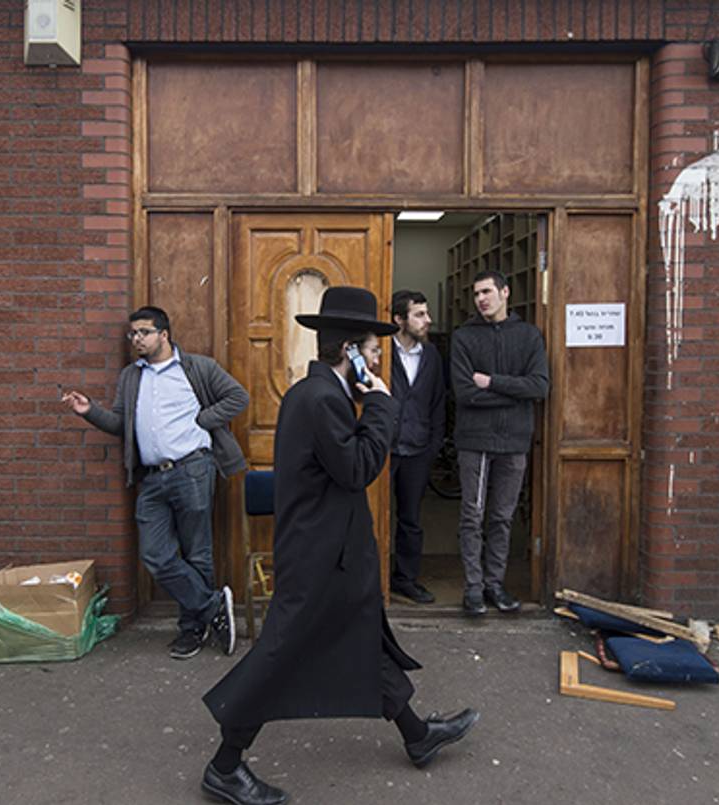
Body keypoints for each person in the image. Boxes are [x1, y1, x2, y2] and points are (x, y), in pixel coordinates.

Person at [201, 286, 478, 805]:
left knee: (363, 638)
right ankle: (225, 764)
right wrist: (379, 404)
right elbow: (357, 469)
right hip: (319, 558)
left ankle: (417, 736)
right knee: (281, 655)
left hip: (332, 553)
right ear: (350, 351)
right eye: (374, 350)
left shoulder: (320, 394)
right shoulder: (323, 398)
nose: (378, 360)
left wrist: (368, 401)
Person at [61, 306, 248, 660]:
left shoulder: (198, 368)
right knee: (155, 555)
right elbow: (120, 423)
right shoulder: (131, 377)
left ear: (164, 334)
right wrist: (90, 412)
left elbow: (238, 397)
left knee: (197, 554)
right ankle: (212, 607)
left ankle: (192, 630)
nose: (137, 340)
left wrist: (204, 419)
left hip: (192, 468)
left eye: (144, 333)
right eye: (133, 334)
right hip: (150, 479)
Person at [450, 270, 550, 617]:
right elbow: (464, 393)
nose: (482, 299)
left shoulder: (529, 335)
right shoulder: (463, 337)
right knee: (472, 516)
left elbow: (539, 387)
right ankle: (473, 589)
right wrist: (514, 393)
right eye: (477, 293)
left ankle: (495, 584)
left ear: (505, 292)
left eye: (488, 291)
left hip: (514, 441)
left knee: (502, 518)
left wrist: (491, 382)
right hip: (474, 440)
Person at [388, 289, 446, 604]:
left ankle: (405, 579)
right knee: (373, 514)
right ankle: (371, 578)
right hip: (384, 449)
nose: (428, 320)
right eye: (420, 314)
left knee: (411, 519)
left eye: (426, 313)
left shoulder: (432, 356)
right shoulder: (381, 351)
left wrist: (433, 445)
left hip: (418, 449)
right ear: (400, 319)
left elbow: (438, 402)